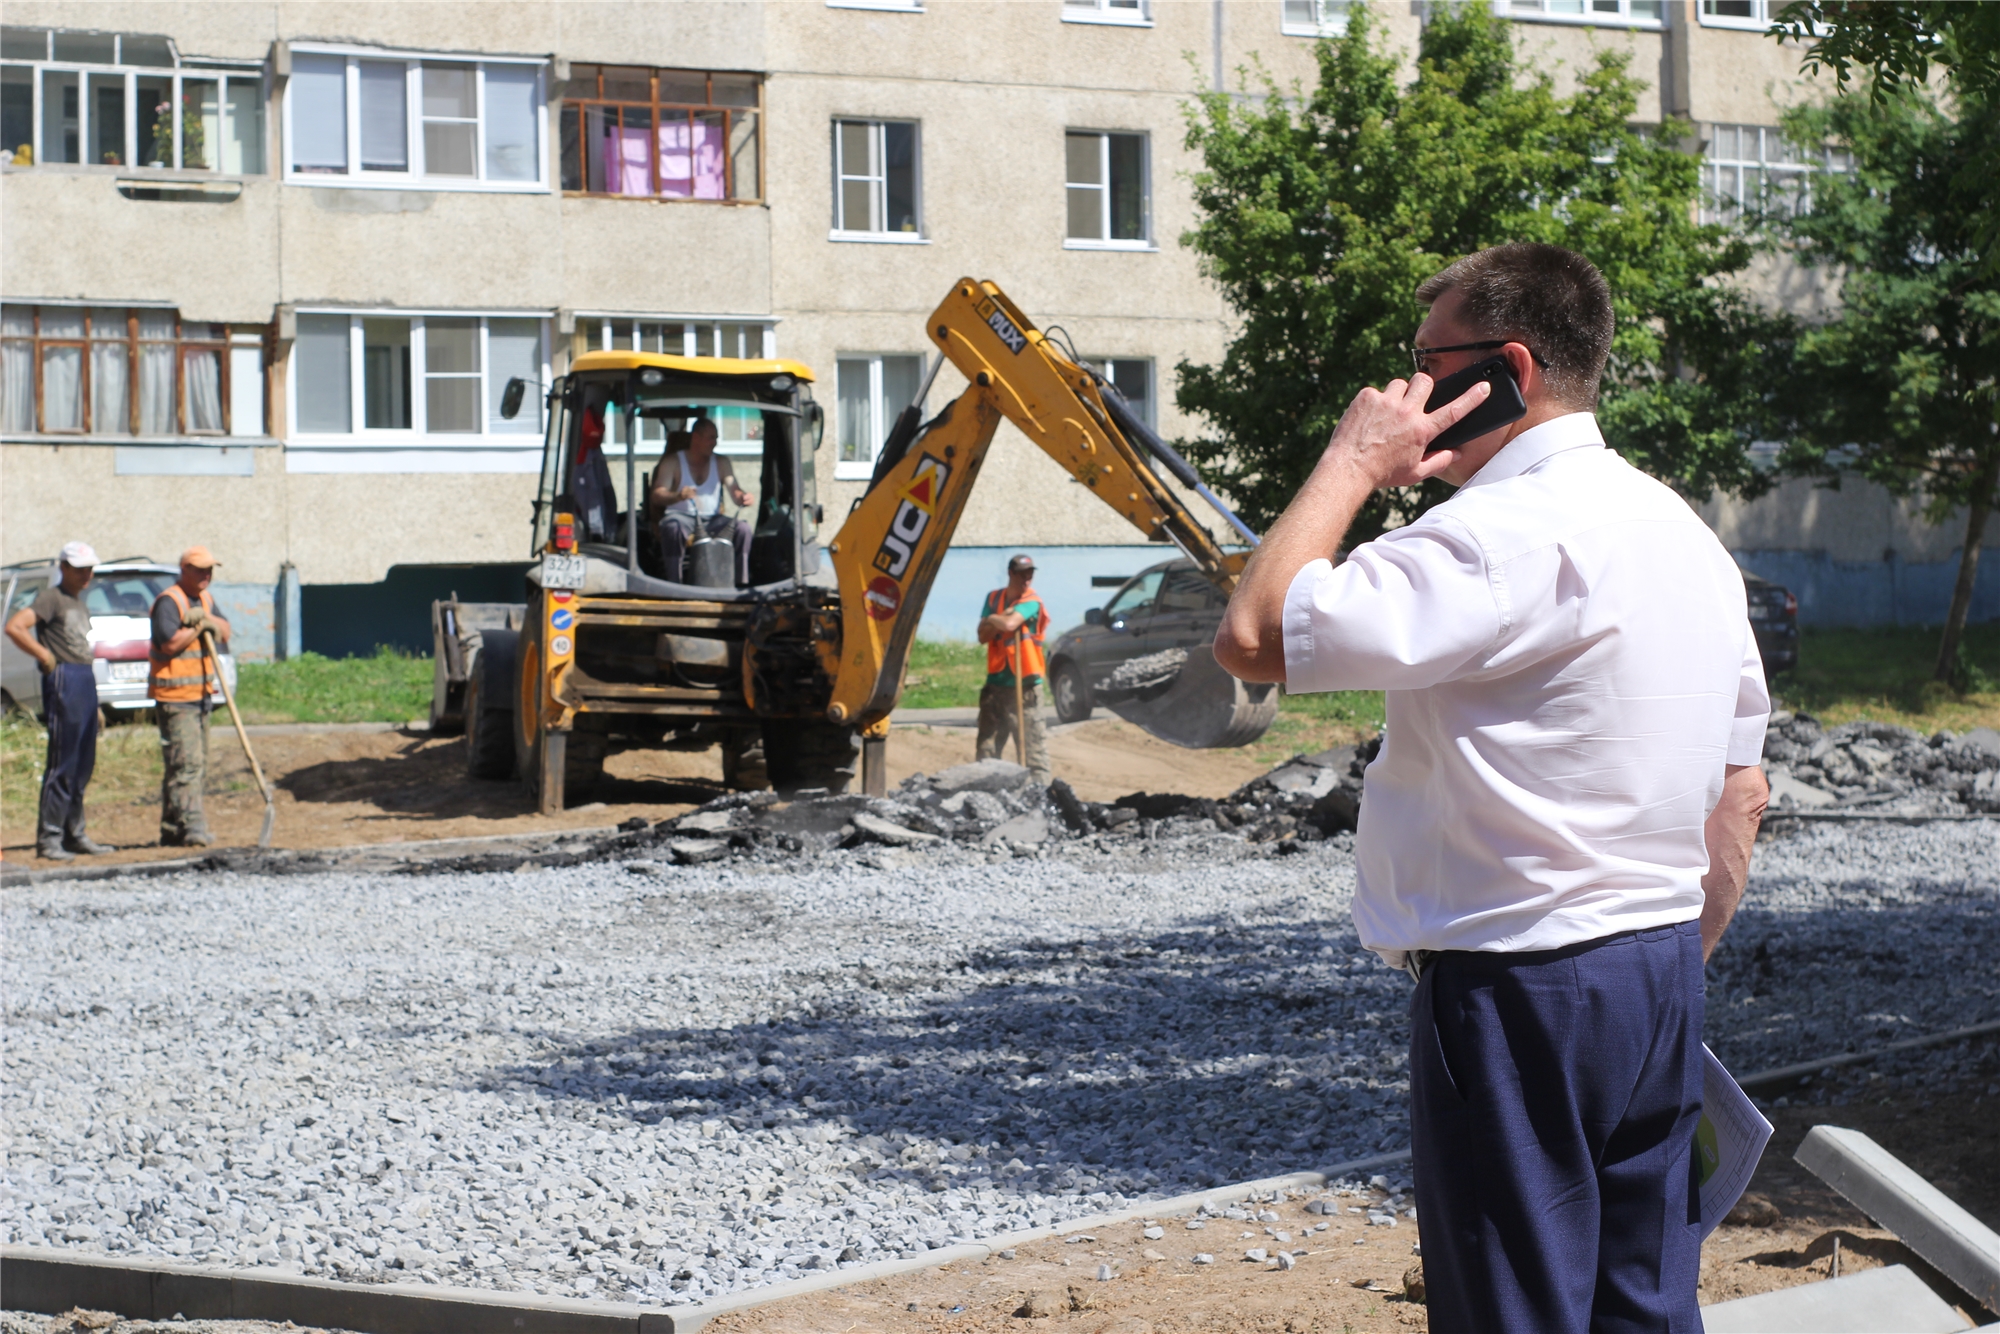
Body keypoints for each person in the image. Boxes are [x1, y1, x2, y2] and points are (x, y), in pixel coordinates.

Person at [1213, 242, 1770, 1333]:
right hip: (1654, 966)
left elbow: (1253, 632)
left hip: (1517, 980)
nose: (1405, 392)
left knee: (1512, 1308)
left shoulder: (1492, 535)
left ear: (1507, 367)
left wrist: (1350, 459)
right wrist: (1657, 955)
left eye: (1425, 365)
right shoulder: (1682, 533)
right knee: (1645, 1304)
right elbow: (1738, 789)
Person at [3, 541, 111, 859]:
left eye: (89, 569)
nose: (86, 575)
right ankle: (50, 838)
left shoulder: (78, 602)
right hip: (64, 678)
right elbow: (15, 626)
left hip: (84, 680)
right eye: (79, 569)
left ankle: (74, 833)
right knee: (63, 763)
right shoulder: (51, 598)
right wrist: (44, 655)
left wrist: (97, 703)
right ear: (63, 568)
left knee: (82, 763)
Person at [149, 545, 232, 848]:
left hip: (200, 695)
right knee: (187, 765)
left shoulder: (205, 599)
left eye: (209, 569)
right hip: (175, 697)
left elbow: (225, 630)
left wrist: (208, 621)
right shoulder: (169, 602)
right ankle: (194, 826)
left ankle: (172, 828)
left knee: (188, 764)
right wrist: (198, 626)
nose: (206, 575)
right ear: (184, 569)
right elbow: (169, 644)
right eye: (199, 569)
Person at [975, 554, 1052, 786]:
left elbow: (1010, 625)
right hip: (996, 684)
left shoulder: (1032, 601)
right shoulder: (994, 598)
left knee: (1033, 752)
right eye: (1021, 574)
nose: (1026, 579)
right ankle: (985, 798)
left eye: (1030, 574)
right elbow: (982, 635)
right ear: (1010, 573)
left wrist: (994, 620)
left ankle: (1040, 799)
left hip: (1025, 686)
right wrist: (995, 617)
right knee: (986, 751)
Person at [650, 416, 751, 584]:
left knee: (743, 529)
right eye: (711, 438)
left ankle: (741, 583)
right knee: (672, 528)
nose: (715, 443)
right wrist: (678, 496)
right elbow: (657, 494)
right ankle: (675, 583)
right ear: (696, 437)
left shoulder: (721, 462)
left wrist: (743, 497)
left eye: (716, 438)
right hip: (681, 517)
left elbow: (735, 492)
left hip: (712, 519)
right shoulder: (673, 462)